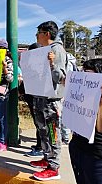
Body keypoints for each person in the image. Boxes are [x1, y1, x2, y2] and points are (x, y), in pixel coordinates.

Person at [69, 58, 102, 184]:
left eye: (89, 74)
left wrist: (101, 102)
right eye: (83, 72)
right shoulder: (81, 92)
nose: (85, 77)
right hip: (79, 148)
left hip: (98, 154)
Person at [29, 21, 67, 181]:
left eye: (38, 32)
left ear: (47, 34)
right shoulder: (42, 50)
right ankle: (47, 157)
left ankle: (54, 167)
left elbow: (60, 77)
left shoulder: (56, 50)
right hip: (40, 98)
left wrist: (51, 64)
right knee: (43, 131)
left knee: (53, 133)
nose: (36, 35)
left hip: (51, 101)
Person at [19, 43, 44, 157]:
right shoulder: (31, 65)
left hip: (38, 99)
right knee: (37, 123)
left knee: (41, 124)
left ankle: (40, 148)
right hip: (31, 97)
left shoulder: (43, 66)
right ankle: (39, 145)